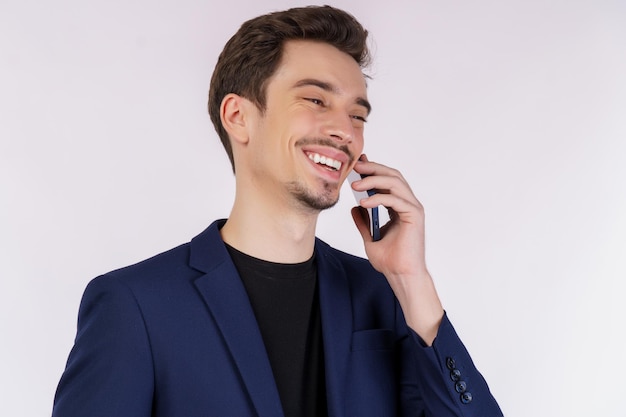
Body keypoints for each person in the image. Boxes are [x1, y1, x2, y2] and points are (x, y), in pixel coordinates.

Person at [52, 5, 503, 417]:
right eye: (315, 100)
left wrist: (412, 281)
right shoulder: (134, 306)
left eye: (358, 116)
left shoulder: (384, 297)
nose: (345, 131)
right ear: (239, 117)